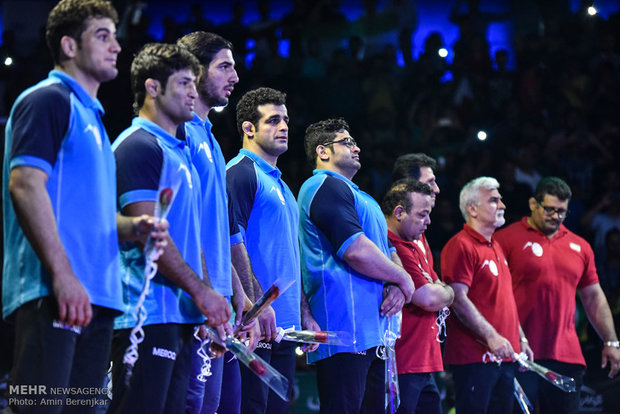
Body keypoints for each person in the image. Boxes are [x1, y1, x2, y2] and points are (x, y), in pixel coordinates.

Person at [2, 1, 168, 413]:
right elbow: (24, 185)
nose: (116, 45)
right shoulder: (47, 100)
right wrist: (62, 274)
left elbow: (91, 216)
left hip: (99, 299)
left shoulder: (92, 118)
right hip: (55, 294)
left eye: (114, 34)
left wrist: (134, 228)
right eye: (102, 35)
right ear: (69, 46)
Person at [108, 43, 231, 414]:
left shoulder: (178, 153)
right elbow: (149, 234)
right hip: (144, 315)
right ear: (153, 88)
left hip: (177, 316)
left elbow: (192, 239)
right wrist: (202, 292)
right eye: (183, 83)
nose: (194, 91)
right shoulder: (139, 146)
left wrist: (209, 300)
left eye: (195, 82)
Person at [297, 118, 415, 413]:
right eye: (347, 142)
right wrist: (405, 279)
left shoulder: (362, 197)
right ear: (323, 152)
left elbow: (386, 250)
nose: (356, 147)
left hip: (373, 332)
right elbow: (355, 250)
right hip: (343, 330)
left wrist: (397, 284)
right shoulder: (323, 185)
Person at [176, 31, 256, 414]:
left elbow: (215, 230)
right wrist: (210, 292)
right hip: (194, 308)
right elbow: (185, 224)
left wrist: (237, 291)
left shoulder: (209, 138)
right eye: (224, 66)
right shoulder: (181, 133)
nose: (235, 76)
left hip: (217, 308)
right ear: (193, 71)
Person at [226, 87, 318, 413]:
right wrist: (258, 305)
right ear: (248, 128)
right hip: (254, 324)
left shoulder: (281, 186)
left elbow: (290, 261)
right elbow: (228, 241)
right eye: (273, 120)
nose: (284, 127)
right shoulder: (239, 173)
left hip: (285, 328)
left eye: (286, 120)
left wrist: (305, 316)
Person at [495, 176, 620, 413]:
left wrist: (611, 341)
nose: (556, 216)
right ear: (533, 204)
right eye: (549, 209)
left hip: (567, 357)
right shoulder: (505, 239)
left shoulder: (580, 246)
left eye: (562, 211)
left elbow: (593, 297)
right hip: (519, 355)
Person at [440, 176, 532, 414]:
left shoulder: (495, 246)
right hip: (475, 358)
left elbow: (505, 301)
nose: (502, 205)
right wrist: (492, 338)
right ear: (472, 209)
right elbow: (458, 299)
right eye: (493, 200)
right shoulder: (460, 245)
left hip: (503, 355)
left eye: (500, 200)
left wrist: (520, 339)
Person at [382, 179, 454, 414]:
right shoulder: (394, 247)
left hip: (423, 362)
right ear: (400, 212)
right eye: (422, 215)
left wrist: (442, 290)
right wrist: (449, 292)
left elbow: (436, 286)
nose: (429, 221)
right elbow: (429, 297)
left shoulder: (413, 244)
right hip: (402, 362)